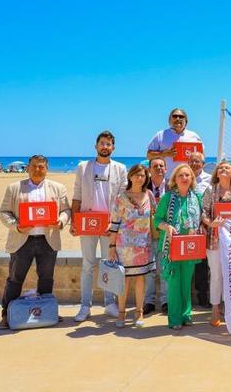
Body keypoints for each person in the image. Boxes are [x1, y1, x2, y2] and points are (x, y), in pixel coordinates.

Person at [0, 155, 70, 329]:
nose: (38, 170)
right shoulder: (14, 188)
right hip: (22, 240)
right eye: (34, 166)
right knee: (15, 279)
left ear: (47, 168)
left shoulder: (58, 188)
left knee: (46, 279)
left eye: (41, 167)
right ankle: (6, 314)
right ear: (28, 168)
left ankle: (47, 311)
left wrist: (60, 221)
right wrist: (17, 226)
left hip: (48, 240)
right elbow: (4, 212)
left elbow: (66, 210)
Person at [71, 131, 128, 322]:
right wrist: (74, 221)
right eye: (102, 143)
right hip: (87, 223)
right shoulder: (83, 167)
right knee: (87, 265)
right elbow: (77, 195)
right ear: (96, 146)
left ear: (113, 148)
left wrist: (115, 223)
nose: (105, 147)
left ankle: (109, 303)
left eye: (108, 144)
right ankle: (85, 306)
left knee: (109, 264)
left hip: (109, 224)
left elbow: (122, 199)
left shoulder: (120, 168)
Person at [153, 163, 203, 329]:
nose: (184, 178)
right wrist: (167, 227)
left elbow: (202, 219)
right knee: (174, 282)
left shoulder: (196, 197)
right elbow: (157, 220)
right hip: (171, 247)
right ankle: (175, 319)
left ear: (192, 178)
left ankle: (186, 314)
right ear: (175, 179)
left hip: (189, 247)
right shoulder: (168, 198)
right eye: (181, 175)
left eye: (187, 175)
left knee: (186, 282)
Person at [107, 164, 155, 328]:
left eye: (142, 175)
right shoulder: (121, 197)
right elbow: (114, 223)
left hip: (143, 245)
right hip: (124, 245)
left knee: (141, 278)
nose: (139, 178)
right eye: (136, 175)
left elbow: (153, 218)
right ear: (130, 176)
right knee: (125, 279)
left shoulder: (149, 195)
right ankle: (121, 313)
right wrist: (112, 246)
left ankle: (139, 312)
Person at [201, 160, 231, 327]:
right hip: (215, 239)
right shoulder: (210, 190)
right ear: (216, 173)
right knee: (216, 274)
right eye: (221, 168)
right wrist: (211, 224)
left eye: (227, 168)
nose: (224, 169)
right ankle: (215, 309)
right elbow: (203, 212)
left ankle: (229, 308)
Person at [146, 108, 203, 178]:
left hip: (187, 180)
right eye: (175, 116)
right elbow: (149, 155)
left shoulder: (194, 136)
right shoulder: (160, 135)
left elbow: (202, 157)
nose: (178, 118)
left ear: (186, 121)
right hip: (167, 180)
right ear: (170, 120)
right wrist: (164, 154)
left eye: (181, 116)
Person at [143, 157, 167, 315]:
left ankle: (166, 301)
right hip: (147, 235)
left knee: (164, 269)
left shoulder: (172, 187)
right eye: (155, 166)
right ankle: (149, 301)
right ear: (149, 170)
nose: (158, 168)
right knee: (149, 270)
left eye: (161, 166)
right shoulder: (143, 188)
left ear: (165, 169)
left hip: (166, 234)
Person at [188, 151, 212, 308]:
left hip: (204, 226)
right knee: (186, 262)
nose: (195, 164)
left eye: (198, 161)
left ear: (203, 164)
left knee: (202, 264)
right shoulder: (183, 177)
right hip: (187, 226)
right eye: (193, 161)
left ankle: (202, 295)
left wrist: (205, 224)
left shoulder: (210, 180)